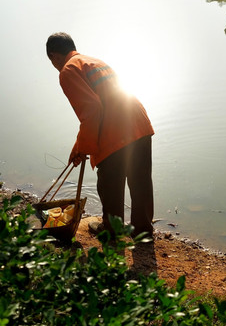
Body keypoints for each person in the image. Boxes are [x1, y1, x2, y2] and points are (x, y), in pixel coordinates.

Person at [46, 32, 155, 238]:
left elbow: (92, 110)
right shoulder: (92, 61)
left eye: (52, 61)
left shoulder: (68, 70)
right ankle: (144, 232)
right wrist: (80, 145)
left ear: (54, 56)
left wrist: (84, 147)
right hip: (139, 122)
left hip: (116, 129)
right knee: (140, 180)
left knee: (109, 183)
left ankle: (112, 230)